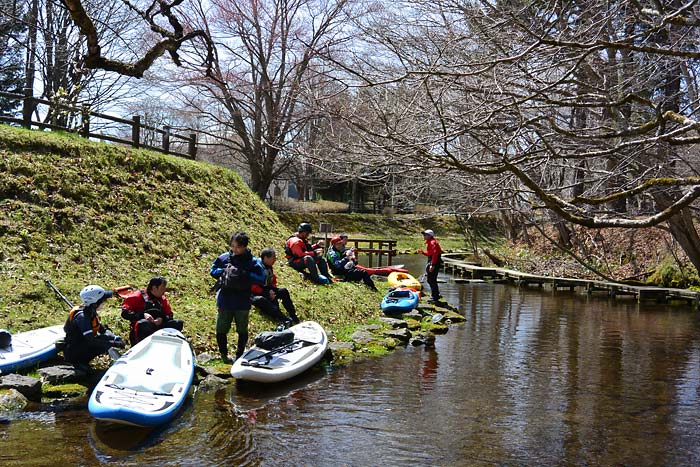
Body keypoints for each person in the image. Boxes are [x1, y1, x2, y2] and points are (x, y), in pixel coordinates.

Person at [210, 231, 265, 363]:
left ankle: (239, 355)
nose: (235, 249)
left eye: (238, 247)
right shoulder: (224, 258)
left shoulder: (252, 261)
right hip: (225, 299)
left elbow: (261, 277)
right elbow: (213, 270)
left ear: (245, 246)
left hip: (243, 300)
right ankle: (224, 355)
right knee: (221, 328)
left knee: (242, 329)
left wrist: (246, 275)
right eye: (233, 246)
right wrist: (224, 271)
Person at [63, 285, 126, 371]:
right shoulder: (82, 317)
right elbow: (91, 340)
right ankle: (79, 364)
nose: (104, 302)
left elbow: (102, 330)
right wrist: (112, 343)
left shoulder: (91, 312)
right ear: (95, 303)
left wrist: (115, 338)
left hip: (82, 345)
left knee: (105, 339)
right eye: (103, 300)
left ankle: (117, 361)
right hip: (74, 352)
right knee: (105, 344)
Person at [121, 276, 184, 345]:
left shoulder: (162, 299)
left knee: (177, 323)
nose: (164, 291)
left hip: (159, 329)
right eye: (162, 288)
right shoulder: (136, 296)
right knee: (143, 323)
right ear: (154, 288)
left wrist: (162, 319)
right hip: (141, 329)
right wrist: (142, 315)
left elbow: (169, 315)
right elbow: (125, 313)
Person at [251, 247, 301, 328]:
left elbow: (272, 280)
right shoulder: (256, 268)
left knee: (283, 291)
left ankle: (293, 315)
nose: (275, 260)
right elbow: (252, 286)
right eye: (273, 258)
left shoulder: (268, 266)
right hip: (254, 294)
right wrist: (267, 293)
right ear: (266, 258)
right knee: (262, 300)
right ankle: (283, 318)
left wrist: (272, 290)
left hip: (266, 290)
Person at [418, 229, 444, 303]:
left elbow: (435, 254)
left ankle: (435, 297)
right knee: (431, 279)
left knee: (431, 280)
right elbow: (430, 254)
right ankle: (436, 295)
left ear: (430, 236)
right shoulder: (431, 242)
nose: (424, 236)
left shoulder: (432, 243)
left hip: (434, 262)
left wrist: (432, 265)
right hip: (433, 262)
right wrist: (423, 253)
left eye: (425, 235)